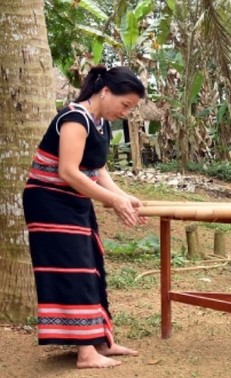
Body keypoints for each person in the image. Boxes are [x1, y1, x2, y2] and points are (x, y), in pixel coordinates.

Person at [22, 65, 146, 369]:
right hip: (49, 201)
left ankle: (102, 339)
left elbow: (97, 168)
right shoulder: (75, 118)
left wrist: (122, 195)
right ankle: (86, 352)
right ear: (105, 92)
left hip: (74, 200)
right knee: (72, 269)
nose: (126, 112)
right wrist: (113, 200)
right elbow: (67, 171)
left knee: (90, 265)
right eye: (125, 104)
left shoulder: (99, 122)